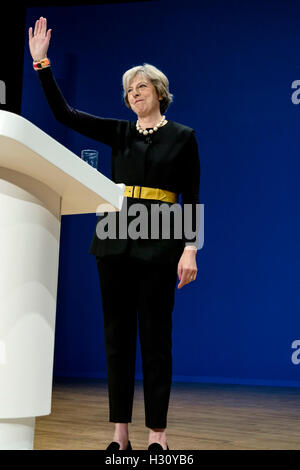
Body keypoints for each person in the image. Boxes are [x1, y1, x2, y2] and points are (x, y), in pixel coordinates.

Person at [29, 16, 201, 451]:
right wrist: (42, 65)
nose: (133, 94)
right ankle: (119, 436)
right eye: (128, 90)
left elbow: (193, 196)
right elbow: (64, 113)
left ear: (159, 92)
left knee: (156, 340)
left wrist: (191, 250)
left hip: (162, 238)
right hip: (115, 237)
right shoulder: (119, 132)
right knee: (116, 340)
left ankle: (158, 437)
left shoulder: (184, 137)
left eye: (141, 87)